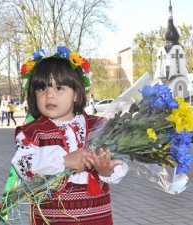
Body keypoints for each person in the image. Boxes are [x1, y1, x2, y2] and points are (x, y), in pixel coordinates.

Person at [10, 46, 129, 225]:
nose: (49, 94)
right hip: (51, 219)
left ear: (76, 94)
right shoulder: (32, 132)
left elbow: (120, 160)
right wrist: (64, 161)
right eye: (41, 88)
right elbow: (24, 164)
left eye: (59, 87)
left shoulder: (98, 126)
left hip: (97, 218)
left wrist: (107, 170)